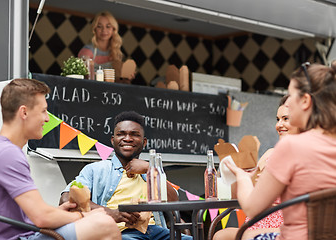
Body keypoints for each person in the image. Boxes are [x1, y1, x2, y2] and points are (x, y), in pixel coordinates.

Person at [0, 78, 121, 240]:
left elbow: (36, 213)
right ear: (24, 112)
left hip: (23, 232)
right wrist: (83, 216)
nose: (47, 118)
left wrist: (58, 214)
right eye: (43, 111)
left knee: (100, 219)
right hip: (20, 238)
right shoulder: (7, 154)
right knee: (105, 224)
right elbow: (41, 218)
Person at [225, 62, 336, 240]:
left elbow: (252, 208)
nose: (288, 102)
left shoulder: (291, 146)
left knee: (244, 236)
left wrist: (243, 177)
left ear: (306, 101)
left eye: (291, 96)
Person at [60, 111, 192, 240]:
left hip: (156, 231)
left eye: (134, 134)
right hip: (118, 233)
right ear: (113, 140)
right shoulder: (96, 170)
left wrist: (150, 169)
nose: (127, 139)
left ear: (144, 142)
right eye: (121, 134)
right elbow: (67, 199)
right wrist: (111, 213)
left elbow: (174, 203)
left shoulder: (151, 172)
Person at [213, 95, 299, 240]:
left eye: (285, 119)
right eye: (277, 119)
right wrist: (235, 174)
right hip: (258, 220)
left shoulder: (303, 155)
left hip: (284, 226)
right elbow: (245, 194)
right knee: (220, 235)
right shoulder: (270, 154)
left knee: (221, 236)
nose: (279, 125)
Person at [78, 11, 134, 83]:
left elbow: (120, 82)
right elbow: (84, 77)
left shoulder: (116, 52)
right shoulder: (87, 51)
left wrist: (127, 75)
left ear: (113, 29)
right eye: (99, 26)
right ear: (94, 29)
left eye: (108, 26)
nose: (104, 30)